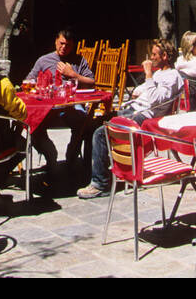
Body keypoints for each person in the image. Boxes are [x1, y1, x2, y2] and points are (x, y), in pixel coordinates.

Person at [77, 40, 184, 198]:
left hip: (145, 115)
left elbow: (155, 99)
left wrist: (148, 74)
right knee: (92, 125)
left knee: (101, 133)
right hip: (135, 108)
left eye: (155, 54)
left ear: (165, 56)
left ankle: (100, 184)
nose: (152, 58)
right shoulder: (160, 73)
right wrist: (146, 84)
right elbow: (145, 90)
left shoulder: (172, 76)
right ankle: (93, 173)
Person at [23, 29, 94, 168]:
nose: (64, 48)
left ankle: (72, 155)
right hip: (48, 107)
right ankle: (50, 154)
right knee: (31, 124)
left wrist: (74, 75)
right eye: (61, 43)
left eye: (68, 45)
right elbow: (29, 79)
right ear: (55, 41)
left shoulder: (78, 60)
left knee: (86, 123)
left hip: (71, 105)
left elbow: (92, 82)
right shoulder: (44, 60)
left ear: (73, 46)